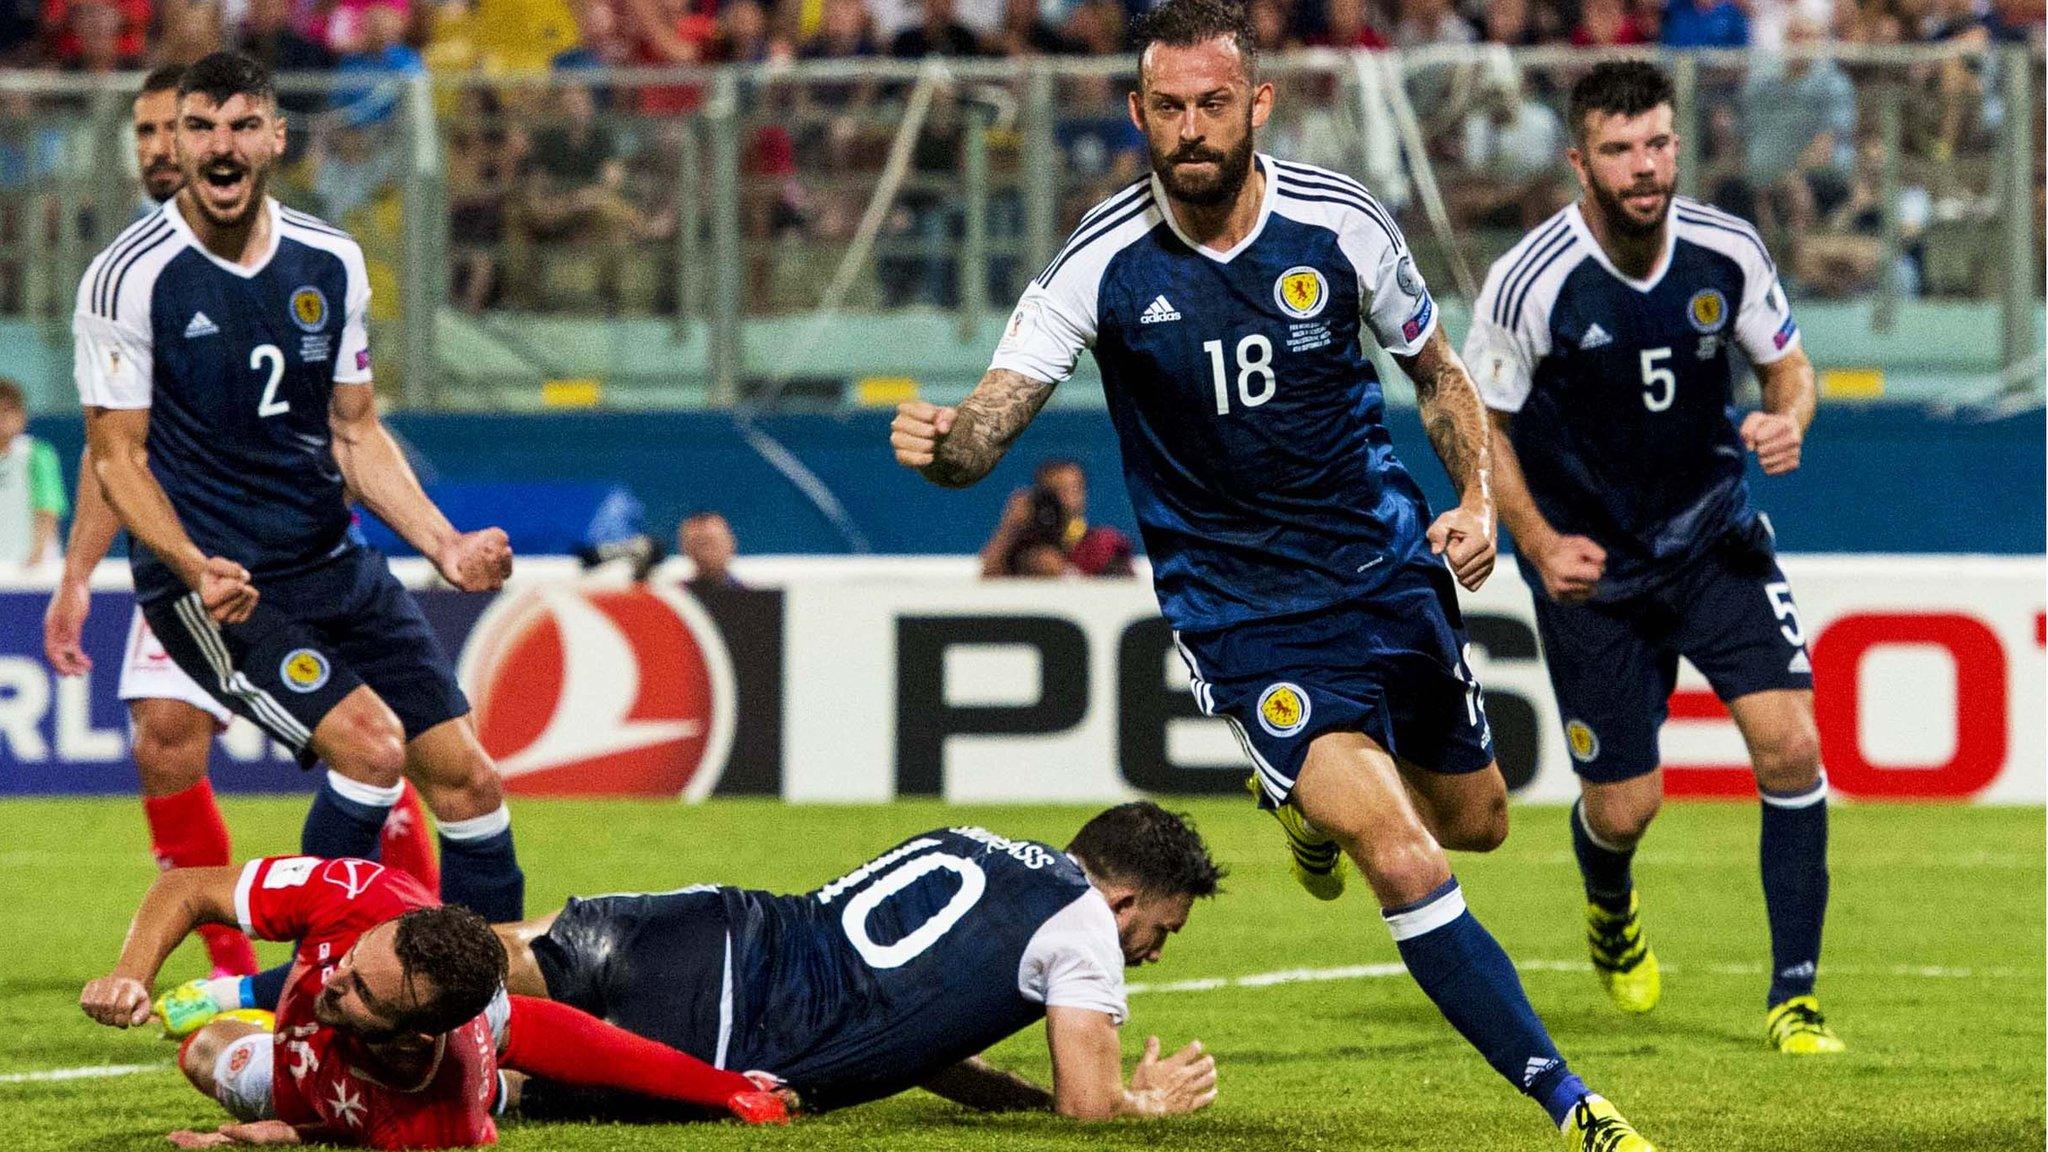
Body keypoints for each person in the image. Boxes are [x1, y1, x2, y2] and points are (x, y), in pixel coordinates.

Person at [890, 3, 1654, 1147]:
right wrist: (948, 447)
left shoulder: (1338, 224)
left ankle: (1302, 815)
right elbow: (992, 420)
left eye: (1211, 105)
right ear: (1136, 112)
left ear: (1256, 105)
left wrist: (1475, 502)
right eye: (1166, 109)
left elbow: (1439, 377)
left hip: (1384, 570)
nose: (1189, 131)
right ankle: (1574, 1107)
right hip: (1242, 617)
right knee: (1399, 853)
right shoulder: (1096, 261)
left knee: (1477, 822)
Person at [71, 54, 526, 947]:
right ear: (177, 142)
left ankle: (493, 1014)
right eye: (198, 128)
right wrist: (192, 565)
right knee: (370, 747)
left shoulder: (332, 259)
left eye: (242, 126)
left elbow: (355, 432)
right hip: (219, 587)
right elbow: (117, 460)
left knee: (470, 781)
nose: (219, 147)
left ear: (276, 138)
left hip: (333, 562)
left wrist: (444, 545)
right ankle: (328, 992)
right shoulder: (128, 276)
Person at [1462, 62, 1840, 1055]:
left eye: (1658, 145)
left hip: (1713, 541)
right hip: (1593, 576)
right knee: (1625, 809)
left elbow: (1787, 364)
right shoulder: (1528, 280)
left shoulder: (1725, 247)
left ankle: (1793, 998)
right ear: (1579, 161)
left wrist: (1785, 417)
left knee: (1791, 746)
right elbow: (1476, 426)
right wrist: (1537, 545)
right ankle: (1608, 906)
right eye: (1621, 150)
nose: (1644, 167)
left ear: (1678, 146)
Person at [496, 801, 1222, 1120]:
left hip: (714, 921)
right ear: (1123, 901)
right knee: (497, 1085)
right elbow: (1088, 1109)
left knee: (477, 955)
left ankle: (377, 926)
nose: (1153, 953)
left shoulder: (974, 842)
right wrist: (1146, 1101)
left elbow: (915, 1039)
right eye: (1163, 930)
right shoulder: (1087, 922)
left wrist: (1017, 1101)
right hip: (727, 1033)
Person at [79, 855, 789, 1148]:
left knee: (211, 1056)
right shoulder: (360, 896)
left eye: (359, 992)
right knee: (204, 1047)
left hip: (348, 1093)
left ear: (413, 1036)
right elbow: (189, 888)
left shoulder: (440, 1116)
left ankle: (510, 1092)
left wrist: (293, 1134)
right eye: (353, 961)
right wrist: (130, 973)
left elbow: (564, 1043)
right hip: (398, 1047)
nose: (333, 980)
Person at [979, 459, 1133, 577]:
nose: (1064, 499)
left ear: (1083, 494)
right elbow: (988, 581)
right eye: (1055, 491)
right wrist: (1009, 526)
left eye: (1071, 490)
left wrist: (1065, 573)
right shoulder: (1021, 548)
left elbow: (1124, 593)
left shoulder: (1102, 545)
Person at [0, 378, 66, 572]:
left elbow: (48, 507)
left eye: (9, 410)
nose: (2, 418)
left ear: (23, 415)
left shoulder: (37, 454)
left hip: (31, 566)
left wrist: (38, 553)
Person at [678, 510, 744, 593]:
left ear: (731, 543)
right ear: (685, 548)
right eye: (698, 544)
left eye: (711, 542)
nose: (705, 552)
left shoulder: (751, 598)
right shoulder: (675, 599)